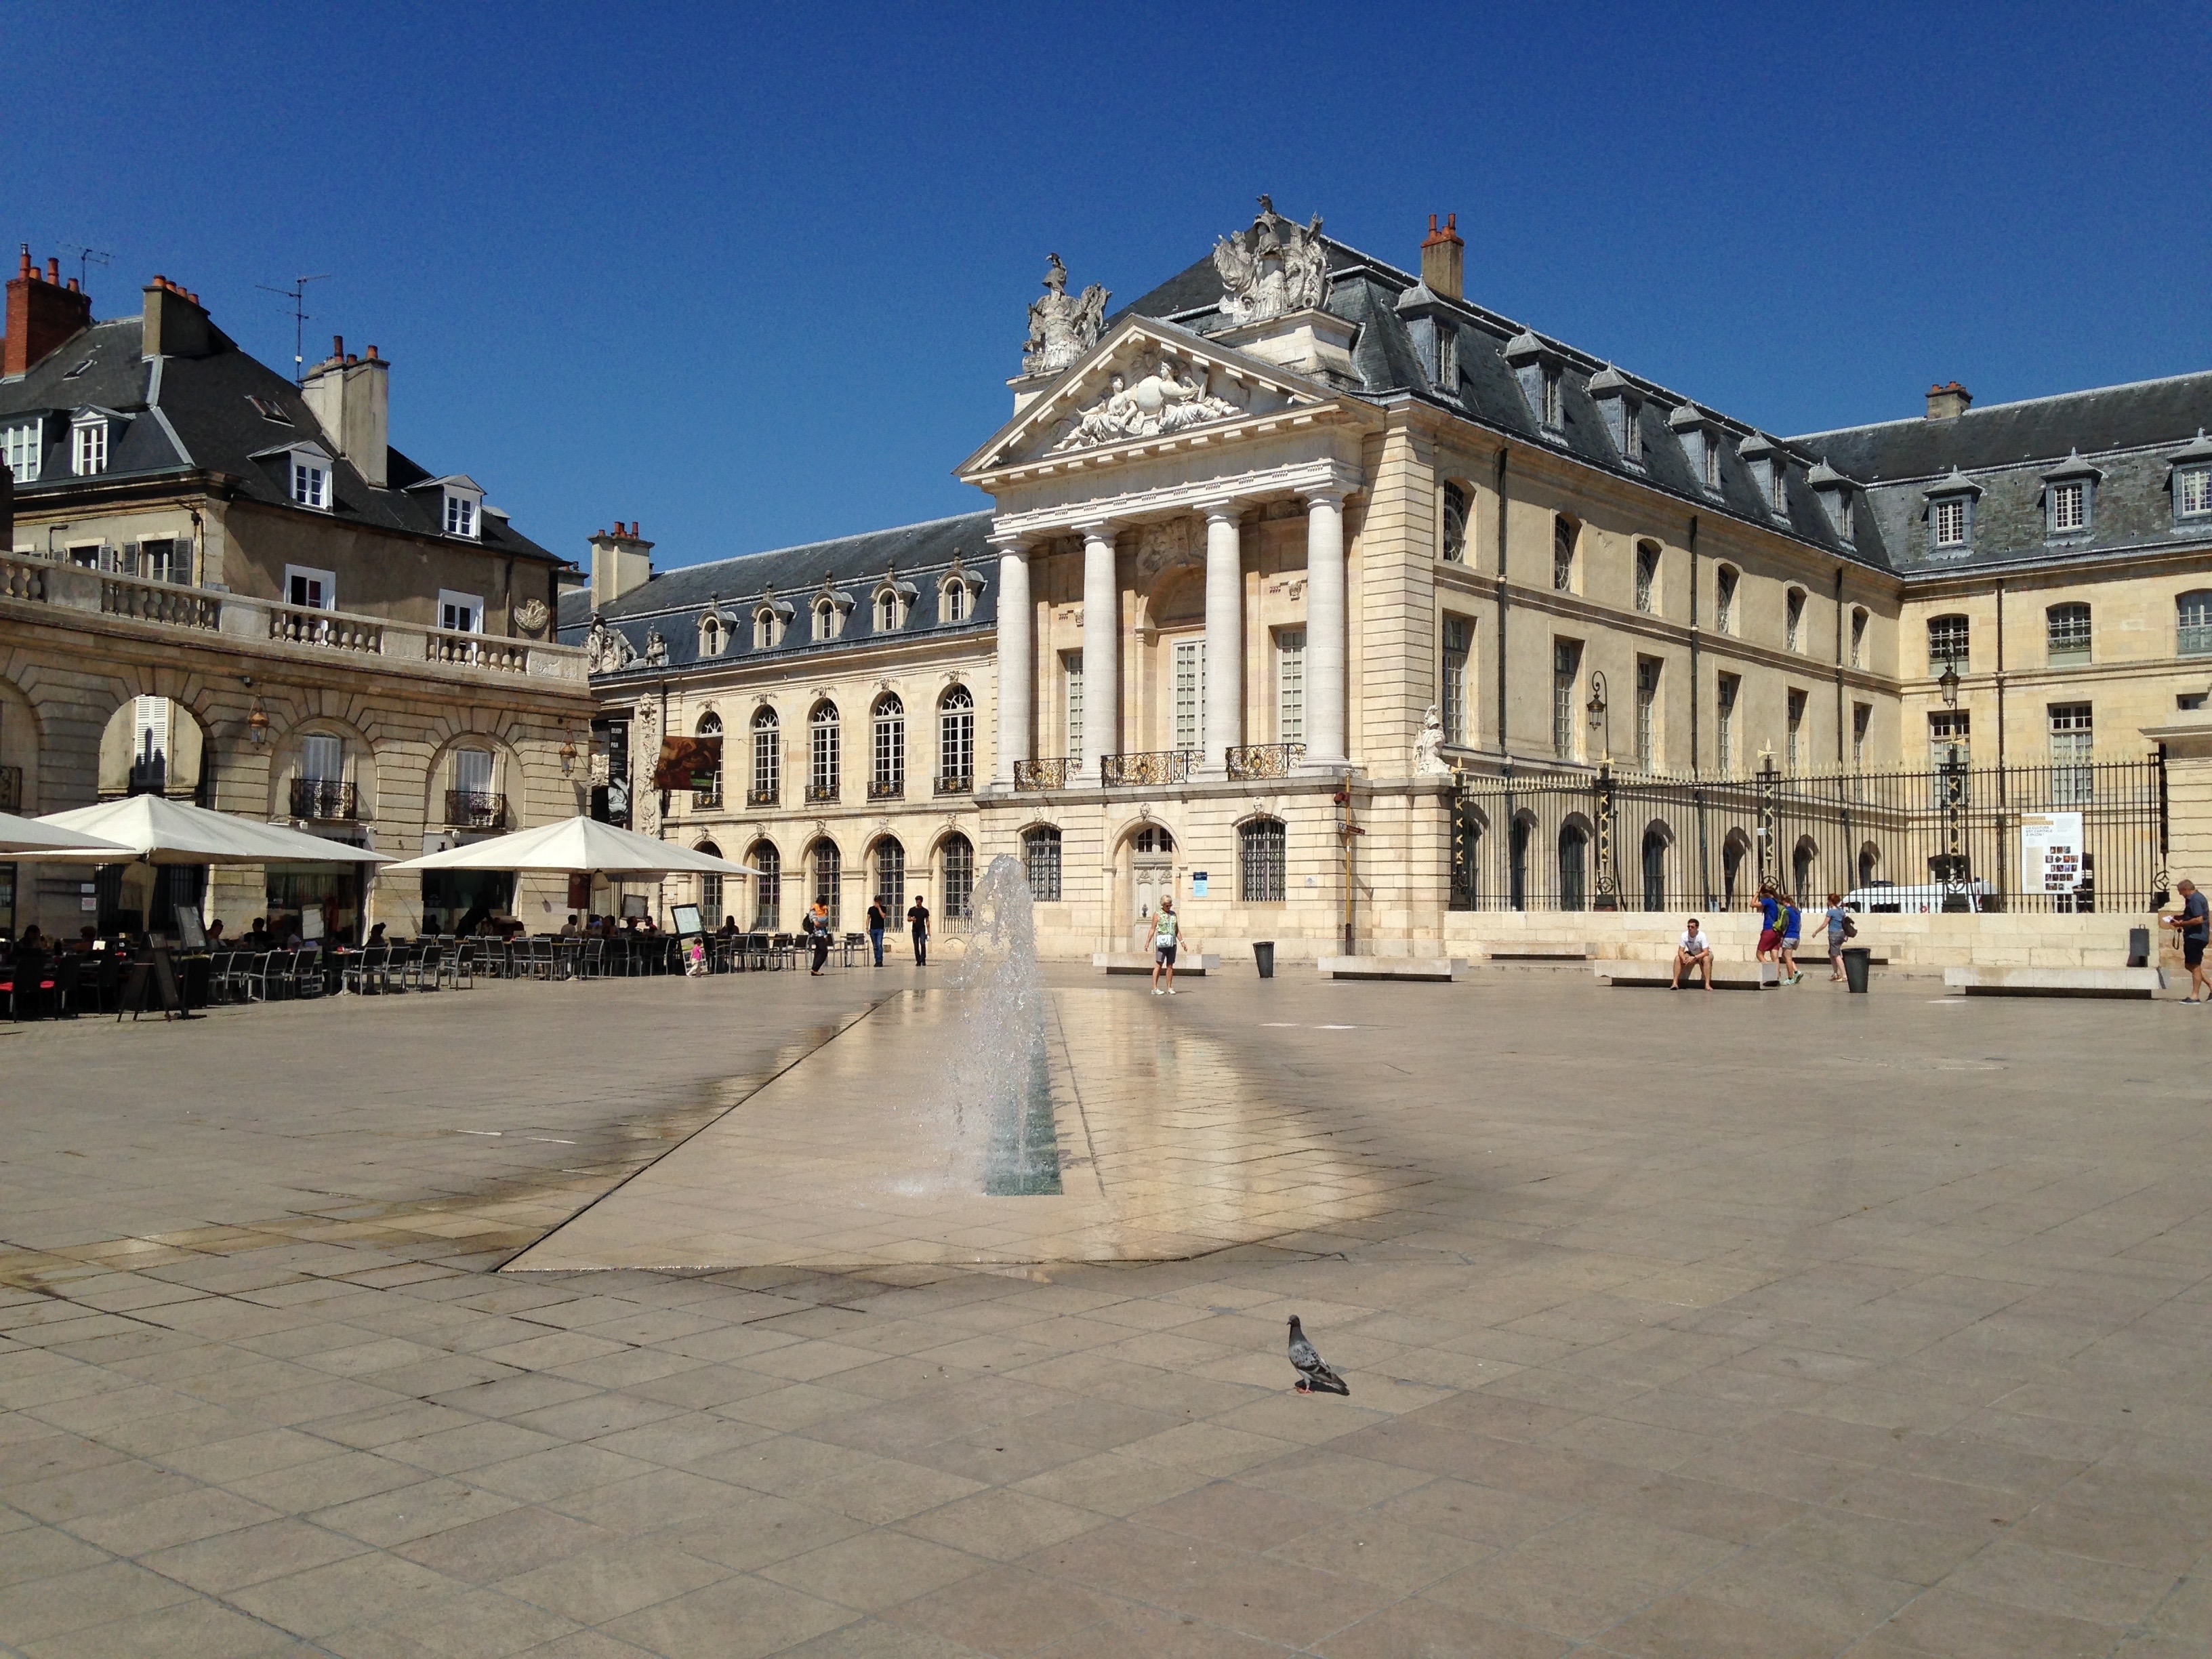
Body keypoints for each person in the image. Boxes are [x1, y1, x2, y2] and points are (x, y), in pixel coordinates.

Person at [2168, 877, 2212, 1002]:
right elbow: (2192, 916)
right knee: (2190, 965)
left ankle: (2195, 996)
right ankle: (2211, 986)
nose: (2180, 894)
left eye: (2180, 891)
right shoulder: (2193, 899)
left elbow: (2199, 919)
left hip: (2196, 936)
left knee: (2195, 965)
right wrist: (2178, 918)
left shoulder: (2195, 899)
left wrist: (2181, 924)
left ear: (2186, 889)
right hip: (2194, 936)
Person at [1150, 895, 1181, 996]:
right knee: (1159, 964)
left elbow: (1176, 930)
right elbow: (1152, 929)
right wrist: (1148, 942)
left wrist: (1182, 941)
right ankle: (1155, 988)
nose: (1169, 907)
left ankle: (1169, 987)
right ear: (1163, 905)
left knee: (1170, 965)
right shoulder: (1157, 914)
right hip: (1162, 943)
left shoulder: (1173, 915)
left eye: (1170, 905)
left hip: (1172, 943)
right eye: (1167, 906)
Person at [1671, 917, 1715, 990]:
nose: (1690, 928)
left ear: (1697, 928)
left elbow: (1706, 952)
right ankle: (1675, 983)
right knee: (1677, 958)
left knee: (1706, 959)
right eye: (1689, 926)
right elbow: (1680, 951)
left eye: (1692, 927)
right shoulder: (1684, 935)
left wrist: (1695, 957)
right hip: (1691, 953)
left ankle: (1707, 985)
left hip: (1703, 954)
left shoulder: (1702, 935)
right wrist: (1683, 958)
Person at [1820, 893, 1851, 983]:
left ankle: (1844, 975)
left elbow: (1824, 924)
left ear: (1831, 902)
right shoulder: (1841, 911)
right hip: (1841, 933)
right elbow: (1845, 923)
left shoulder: (1831, 912)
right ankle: (1835, 973)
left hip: (1834, 934)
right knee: (1831, 953)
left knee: (1836, 955)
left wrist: (1816, 932)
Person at [1752, 885, 1782, 975]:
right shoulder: (1777, 902)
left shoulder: (1768, 901)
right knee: (1775, 956)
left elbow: (1752, 904)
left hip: (1769, 929)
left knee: (1759, 954)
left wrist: (1757, 893)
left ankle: (1771, 974)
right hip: (1777, 931)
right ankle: (1777, 976)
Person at [1779, 894, 1804, 985]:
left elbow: (1785, 925)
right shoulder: (1797, 911)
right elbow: (1800, 924)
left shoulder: (1787, 911)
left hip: (1788, 936)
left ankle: (1790, 978)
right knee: (1784, 956)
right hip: (1796, 936)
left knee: (1788, 958)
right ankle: (1796, 972)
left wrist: (1782, 936)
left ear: (1784, 902)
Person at [804, 900, 832, 975]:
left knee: (818, 952)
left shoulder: (821, 912)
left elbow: (825, 921)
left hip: (821, 935)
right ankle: (815, 969)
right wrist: (824, 925)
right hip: (817, 935)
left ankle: (814, 970)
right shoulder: (813, 912)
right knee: (824, 951)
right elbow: (816, 923)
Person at [907, 894, 930, 966]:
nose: (918, 903)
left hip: (922, 929)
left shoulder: (925, 911)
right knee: (916, 945)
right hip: (915, 930)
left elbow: (927, 921)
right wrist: (912, 919)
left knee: (923, 944)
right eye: (917, 901)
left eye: (919, 901)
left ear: (921, 902)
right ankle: (918, 960)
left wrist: (928, 931)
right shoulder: (912, 910)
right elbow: (908, 919)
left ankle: (923, 959)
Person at [865, 898, 888, 966]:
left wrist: (879, 908)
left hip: (880, 929)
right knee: (875, 946)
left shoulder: (883, 908)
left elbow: (883, 916)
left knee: (879, 944)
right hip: (873, 929)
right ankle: (877, 960)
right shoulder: (871, 909)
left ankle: (880, 960)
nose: (877, 902)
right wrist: (867, 928)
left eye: (878, 901)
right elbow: (868, 918)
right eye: (876, 901)